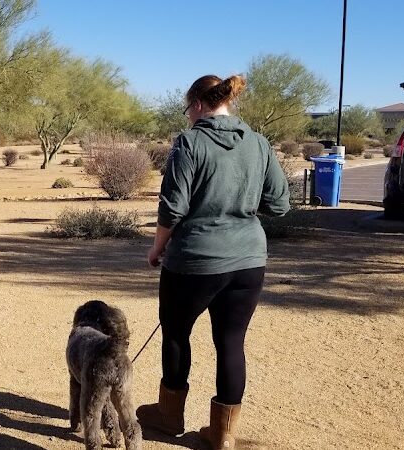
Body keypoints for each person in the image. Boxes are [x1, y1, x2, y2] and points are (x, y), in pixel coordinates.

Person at [135, 74, 290, 450]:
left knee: (175, 333)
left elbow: (172, 207)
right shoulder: (258, 143)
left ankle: (169, 416)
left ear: (199, 105)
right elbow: (280, 204)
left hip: (194, 260)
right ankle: (222, 435)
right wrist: (242, 205)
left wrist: (157, 249)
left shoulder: (189, 143)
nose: (187, 116)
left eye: (188, 109)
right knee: (231, 341)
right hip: (248, 260)